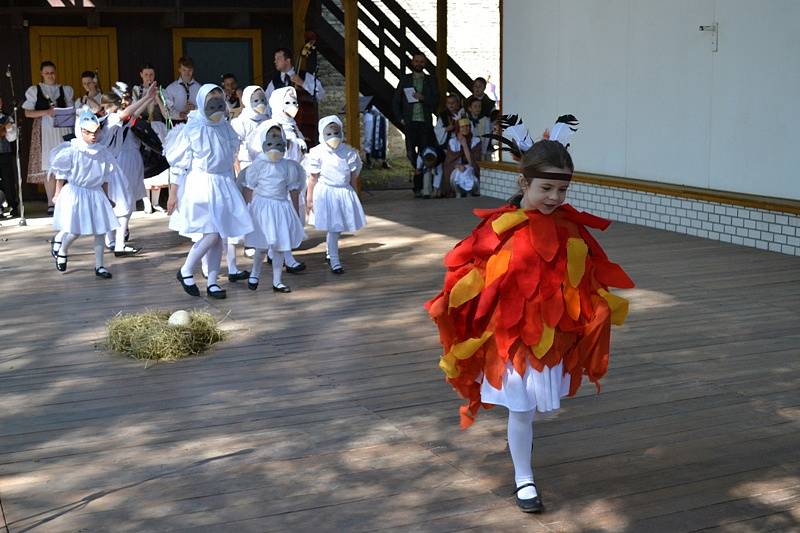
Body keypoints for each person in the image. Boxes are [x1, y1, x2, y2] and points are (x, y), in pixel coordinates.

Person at [425, 114, 634, 514]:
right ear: (524, 184)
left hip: (550, 336)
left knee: (531, 409)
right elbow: (470, 271)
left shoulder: (570, 229)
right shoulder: (503, 227)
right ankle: (525, 478)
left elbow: (583, 275)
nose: (555, 197)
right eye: (546, 188)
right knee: (520, 409)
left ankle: (524, 450)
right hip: (509, 338)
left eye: (562, 188)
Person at [166, 84, 253, 300]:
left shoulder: (226, 128)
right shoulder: (193, 129)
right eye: (210, 104)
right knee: (211, 233)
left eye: (219, 104)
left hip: (223, 183)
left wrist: (234, 186)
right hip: (202, 185)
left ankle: (212, 282)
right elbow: (180, 165)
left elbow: (230, 158)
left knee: (218, 235)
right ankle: (186, 269)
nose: (216, 109)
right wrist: (173, 194)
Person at [49, 108, 120, 279]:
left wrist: (107, 197)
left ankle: (99, 265)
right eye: (88, 132)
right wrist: (57, 193)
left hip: (95, 193)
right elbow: (61, 173)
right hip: (77, 193)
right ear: (80, 131)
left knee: (100, 231)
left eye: (96, 131)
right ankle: (63, 250)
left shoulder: (102, 152)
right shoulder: (73, 150)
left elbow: (105, 177)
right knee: (74, 230)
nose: (93, 135)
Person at [243, 120, 306, 292]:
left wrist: (296, 211)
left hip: (281, 207)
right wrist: (245, 210)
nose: (275, 148)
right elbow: (249, 187)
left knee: (279, 246)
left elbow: (293, 190)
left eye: (279, 144)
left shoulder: (288, 166)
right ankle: (255, 273)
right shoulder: (258, 165)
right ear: (263, 144)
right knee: (262, 245)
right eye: (270, 143)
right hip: (263, 208)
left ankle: (277, 280)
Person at [100, 82, 158, 256]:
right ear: (110, 108)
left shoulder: (114, 120)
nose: (120, 111)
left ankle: (115, 242)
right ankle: (115, 243)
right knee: (121, 205)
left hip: (111, 166)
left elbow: (130, 115)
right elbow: (126, 113)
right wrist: (146, 98)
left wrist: (147, 98)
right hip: (108, 167)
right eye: (117, 108)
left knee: (121, 205)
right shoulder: (109, 120)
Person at [304, 115, 365, 275]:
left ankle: (330, 253)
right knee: (333, 227)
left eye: (336, 133)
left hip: (343, 193)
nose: (333, 138)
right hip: (326, 193)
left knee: (337, 227)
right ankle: (334, 258)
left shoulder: (349, 153)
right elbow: (312, 178)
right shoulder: (318, 153)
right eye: (328, 134)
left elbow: (353, 177)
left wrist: (354, 195)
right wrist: (309, 199)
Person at [22, 61, 75, 214]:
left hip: (63, 128)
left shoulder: (65, 90)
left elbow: (71, 110)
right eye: (47, 73)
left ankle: (62, 200)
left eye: (52, 72)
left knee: (64, 163)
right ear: (42, 74)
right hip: (44, 129)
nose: (50, 75)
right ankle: (50, 201)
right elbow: (27, 113)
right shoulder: (34, 90)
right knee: (48, 165)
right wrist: (46, 112)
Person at [392, 51, 438, 198]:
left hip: (424, 122)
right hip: (410, 121)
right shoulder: (405, 79)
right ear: (412, 63)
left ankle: (421, 187)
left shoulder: (431, 80)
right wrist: (401, 118)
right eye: (416, 61)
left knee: (424, 153)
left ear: (425, 64)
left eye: (421, 62)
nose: (419, 64)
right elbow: (396, 101)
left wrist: (423, 98)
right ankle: (418, 176)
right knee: (411, 153)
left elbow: (436, 101)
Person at [265, 47, 325, 144]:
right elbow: (267, 102)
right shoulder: (274, 82)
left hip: (303, 126)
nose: (275, 61)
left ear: (287, 60)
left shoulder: (305, 76)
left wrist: (302, 83)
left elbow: (320, 95)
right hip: (280, 125)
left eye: (278, 58)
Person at [132, 63, 171, 213]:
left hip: (158, 128)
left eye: (151, 75)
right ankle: (146, 201)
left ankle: (155, 201)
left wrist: (158, 98)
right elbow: (134, 110)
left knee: (157, 162)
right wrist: (147, 98)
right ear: (141, 75)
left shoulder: (162, 90)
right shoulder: (137, 90)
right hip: (143, 128)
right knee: (145, 163)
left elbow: (167, 115)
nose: (149, 77)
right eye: (146, 75)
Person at [433, 93, 464, 198]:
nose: (451, 105)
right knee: (441, 167)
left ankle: (454, 190)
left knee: (456, 167)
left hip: (458, 145)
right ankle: (437, 189)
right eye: (448, 103)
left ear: (458, 104)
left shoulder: (462, 114)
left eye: (453, 103)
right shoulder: (443, 116)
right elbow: (437, 130)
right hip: (445, 145)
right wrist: (446, 129)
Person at [445, 118, 481, 197]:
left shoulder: (475, 141)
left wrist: (464, 145)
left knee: (467, 171)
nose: (465, 129)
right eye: (462, 127)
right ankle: (460, 193)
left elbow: (473, 162)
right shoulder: (453, 142)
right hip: (456, 168)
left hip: (471, 167)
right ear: (458, 128)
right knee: (459, 172)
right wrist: (457, 165)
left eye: (467, 126)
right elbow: (450, 161)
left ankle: (468, 192)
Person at [164, 56, 200, 125]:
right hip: (177, 124)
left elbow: (204, 109)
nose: (187, 73)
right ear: (179, 70)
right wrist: (179, 114)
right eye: (184, 70)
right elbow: (166, 110)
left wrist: (194, 109)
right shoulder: (171, 88)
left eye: (189, 70)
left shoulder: (200, 88)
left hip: (195, 124)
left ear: (193, 70)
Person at [0, 97, 19, 217]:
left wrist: (9, 129)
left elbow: (12, 138)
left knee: (8, 181)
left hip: (4, 154)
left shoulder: (7, 118)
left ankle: (13, 205)